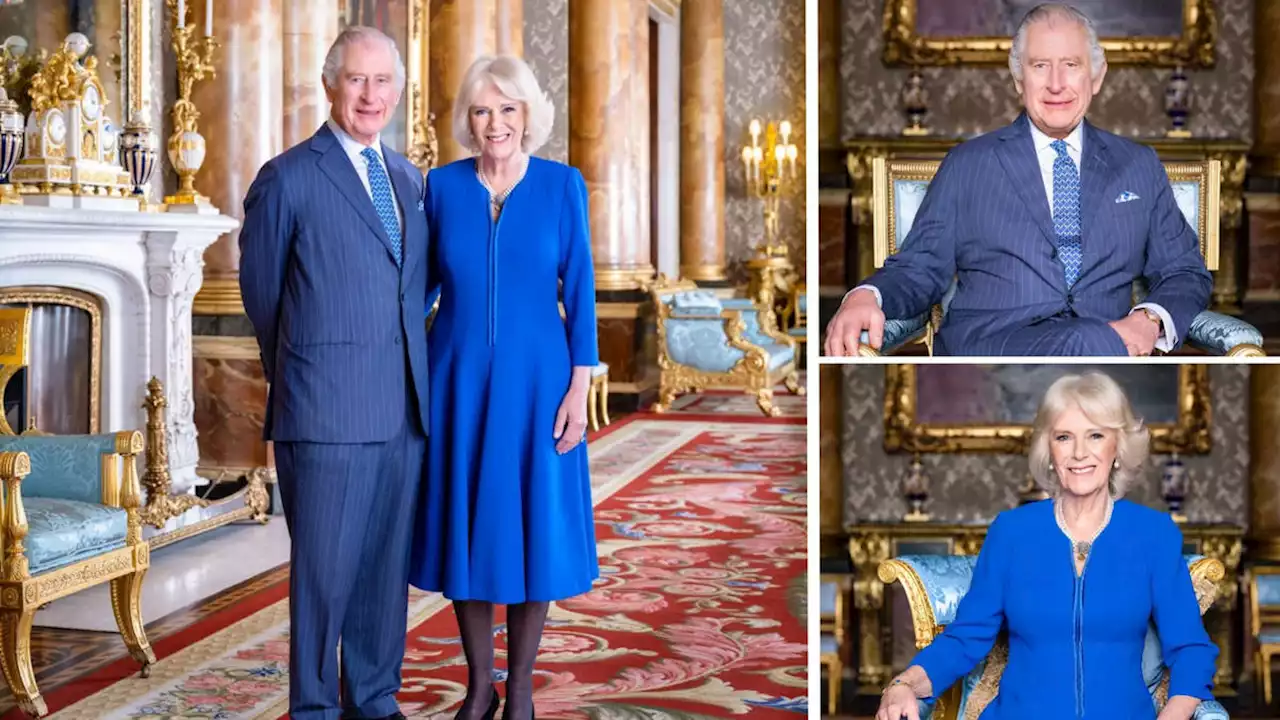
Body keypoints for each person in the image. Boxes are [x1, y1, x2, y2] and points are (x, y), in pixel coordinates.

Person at [824, 3, 1212, 357]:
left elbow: (1185, 272)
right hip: (992, 348)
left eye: (1071, 65)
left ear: (1096, 76)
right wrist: (864, 296)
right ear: (1017, 79)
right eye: (1040, 66)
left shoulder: (1138, 166)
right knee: (1087, 339)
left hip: (1101, 355)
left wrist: (1149, 319)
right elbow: (919, 269)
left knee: (1088, 340)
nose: (1056, 83)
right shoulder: (967, 165)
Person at [239, 26, 427, 720]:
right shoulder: (287, 177)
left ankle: (374, 698)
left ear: (398, 92)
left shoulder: (409, 179)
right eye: (356, 79)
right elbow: (263, 298)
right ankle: (314, 708)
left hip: (405, 413)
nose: (370, 95)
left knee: (384, 574)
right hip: (325, 413)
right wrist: (305, 377)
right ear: (330, 85)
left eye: (382, 82)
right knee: (323, 578)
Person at [407, 54, 599, 720]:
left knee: (532, 526)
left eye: (508, 109)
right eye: (483, 111)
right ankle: (479, 684)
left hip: (540, 380)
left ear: (528, 115)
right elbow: (417, 289)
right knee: (467, 526)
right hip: (456, 377)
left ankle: (518, 688)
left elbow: (580, 291)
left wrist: (580, 388)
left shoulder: (561, 185)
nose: (496, 124)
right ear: (468, 118)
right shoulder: (442, 187)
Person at [876, 371, 1217, 720]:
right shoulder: (1011, 533)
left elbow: (1190, 647)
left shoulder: (1153, 534)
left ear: (1118, 448)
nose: (1080, 452)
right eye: (1064, 437)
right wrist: (903, 684)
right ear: (1049, 451)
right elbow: (965, 638)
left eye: (1096, 435)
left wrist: (1173, 713)